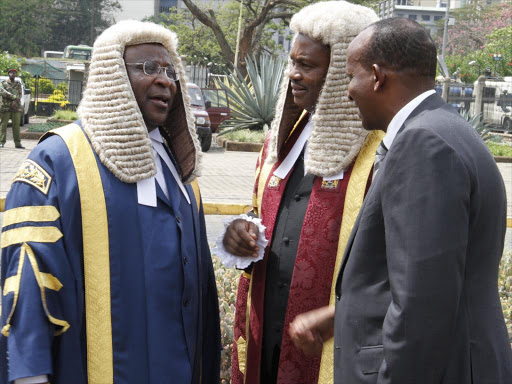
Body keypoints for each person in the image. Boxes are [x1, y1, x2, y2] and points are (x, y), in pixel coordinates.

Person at [289, 18, 512, 383]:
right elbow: (426, 278)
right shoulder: (445, 129)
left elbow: (422, 309)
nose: (347, 91)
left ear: (377, 77)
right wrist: (340, 317)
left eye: (350, 77)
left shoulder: (423, 145)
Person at [0, 20, 221, 384]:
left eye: (169, 71)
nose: (165, 80)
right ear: (112, 76)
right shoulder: (58, 160)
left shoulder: (181, 171)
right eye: (149, 68)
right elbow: (28, 283)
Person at [218, 2, 381, 383]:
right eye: (292, 62)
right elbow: (258, 212)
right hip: (269, 335)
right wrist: (239, 235)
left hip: (332, 345)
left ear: (344, 71)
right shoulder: (280, 139)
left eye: (306, 66)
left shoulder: (379, 149)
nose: (292, 75)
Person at [0, 68, 24, 149]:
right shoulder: (3, 83)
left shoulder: (18, 84)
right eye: (11, 73)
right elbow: (3, 92)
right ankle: (1, 142)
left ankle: (17, 143)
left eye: (14, 73)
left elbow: (20, 94)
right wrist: (13, 97)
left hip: (16, 108)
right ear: (8, 74)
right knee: (3, 125)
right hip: (6, 107)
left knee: (16, 126)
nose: (13, 74)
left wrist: (15, 101)